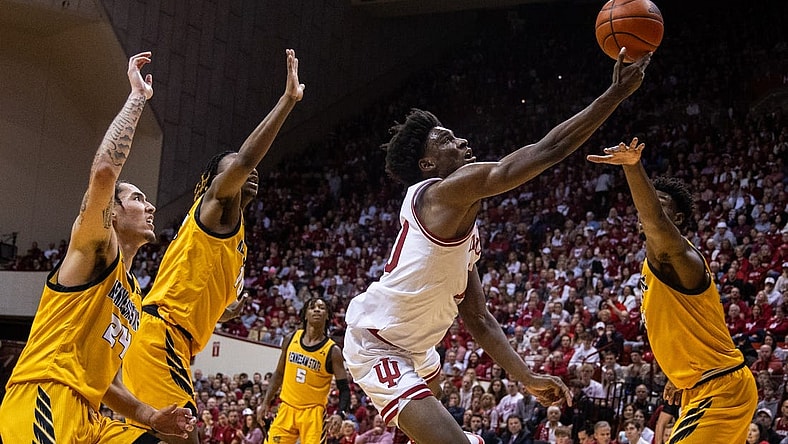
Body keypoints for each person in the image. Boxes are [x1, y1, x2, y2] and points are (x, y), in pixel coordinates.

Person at [342, 47, 650, 444]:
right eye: (447, 140)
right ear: (427, 166)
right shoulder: (440, 195)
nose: (462, 140)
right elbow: (546, 151)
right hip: (377, 343)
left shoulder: (463, 229)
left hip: (416, 348)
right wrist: (614, 95)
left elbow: (479, 318)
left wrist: (527, 378)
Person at [0, 52, 194, 441]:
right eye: (138, 198)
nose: (151, 205)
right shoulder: (95, 250)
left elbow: (108, 384)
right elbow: (105, 172)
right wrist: (138, 97)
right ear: (114, 213)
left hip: (91, 417)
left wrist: (152, 417)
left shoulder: (134, 295)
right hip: (45, 397)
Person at [120, 49, 304, 443]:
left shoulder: (233, 237)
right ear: (215, 181)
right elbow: (245, 162)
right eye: (235, 166)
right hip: (161, 336)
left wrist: (224, 308)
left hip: (173, 341)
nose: (246, 170)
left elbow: (206, 288)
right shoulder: (213, 206)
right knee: (186, 436)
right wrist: (287, 101)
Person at [587, 138, 758, 443]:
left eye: (657, 203)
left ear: (677, 220)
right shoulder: (655, 263)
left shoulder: (682, 258)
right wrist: (679, 376)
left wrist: (632, 167)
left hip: (720, 389)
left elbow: (654, 221)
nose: (646, 209)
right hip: (704, 386)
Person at [259, 298, 349, 443]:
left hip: (313, 414)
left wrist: (340, 414)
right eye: (312, 307)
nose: (317, 310)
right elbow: (279, 374)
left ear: (327, 315)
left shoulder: (332, 351)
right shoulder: (290, 339)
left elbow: (344, 389)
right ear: (305, 314)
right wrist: (265, 402)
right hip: (286, 408)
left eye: (322, 307)